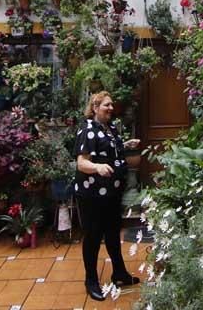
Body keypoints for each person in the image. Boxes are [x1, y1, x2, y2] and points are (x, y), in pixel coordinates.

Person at [73, 91, 141, 300]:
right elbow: (81, 163)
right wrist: (97, 167)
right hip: (92, 194)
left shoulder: (110, 128)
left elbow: (111, 150)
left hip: (111, 193)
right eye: (106, 105)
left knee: (112, 233)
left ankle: (118, 272)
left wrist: (126, 145)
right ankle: (91, 280)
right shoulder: (88, 130)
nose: (111, 108)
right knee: (93, 237)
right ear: (95, 107)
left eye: (111, 105)